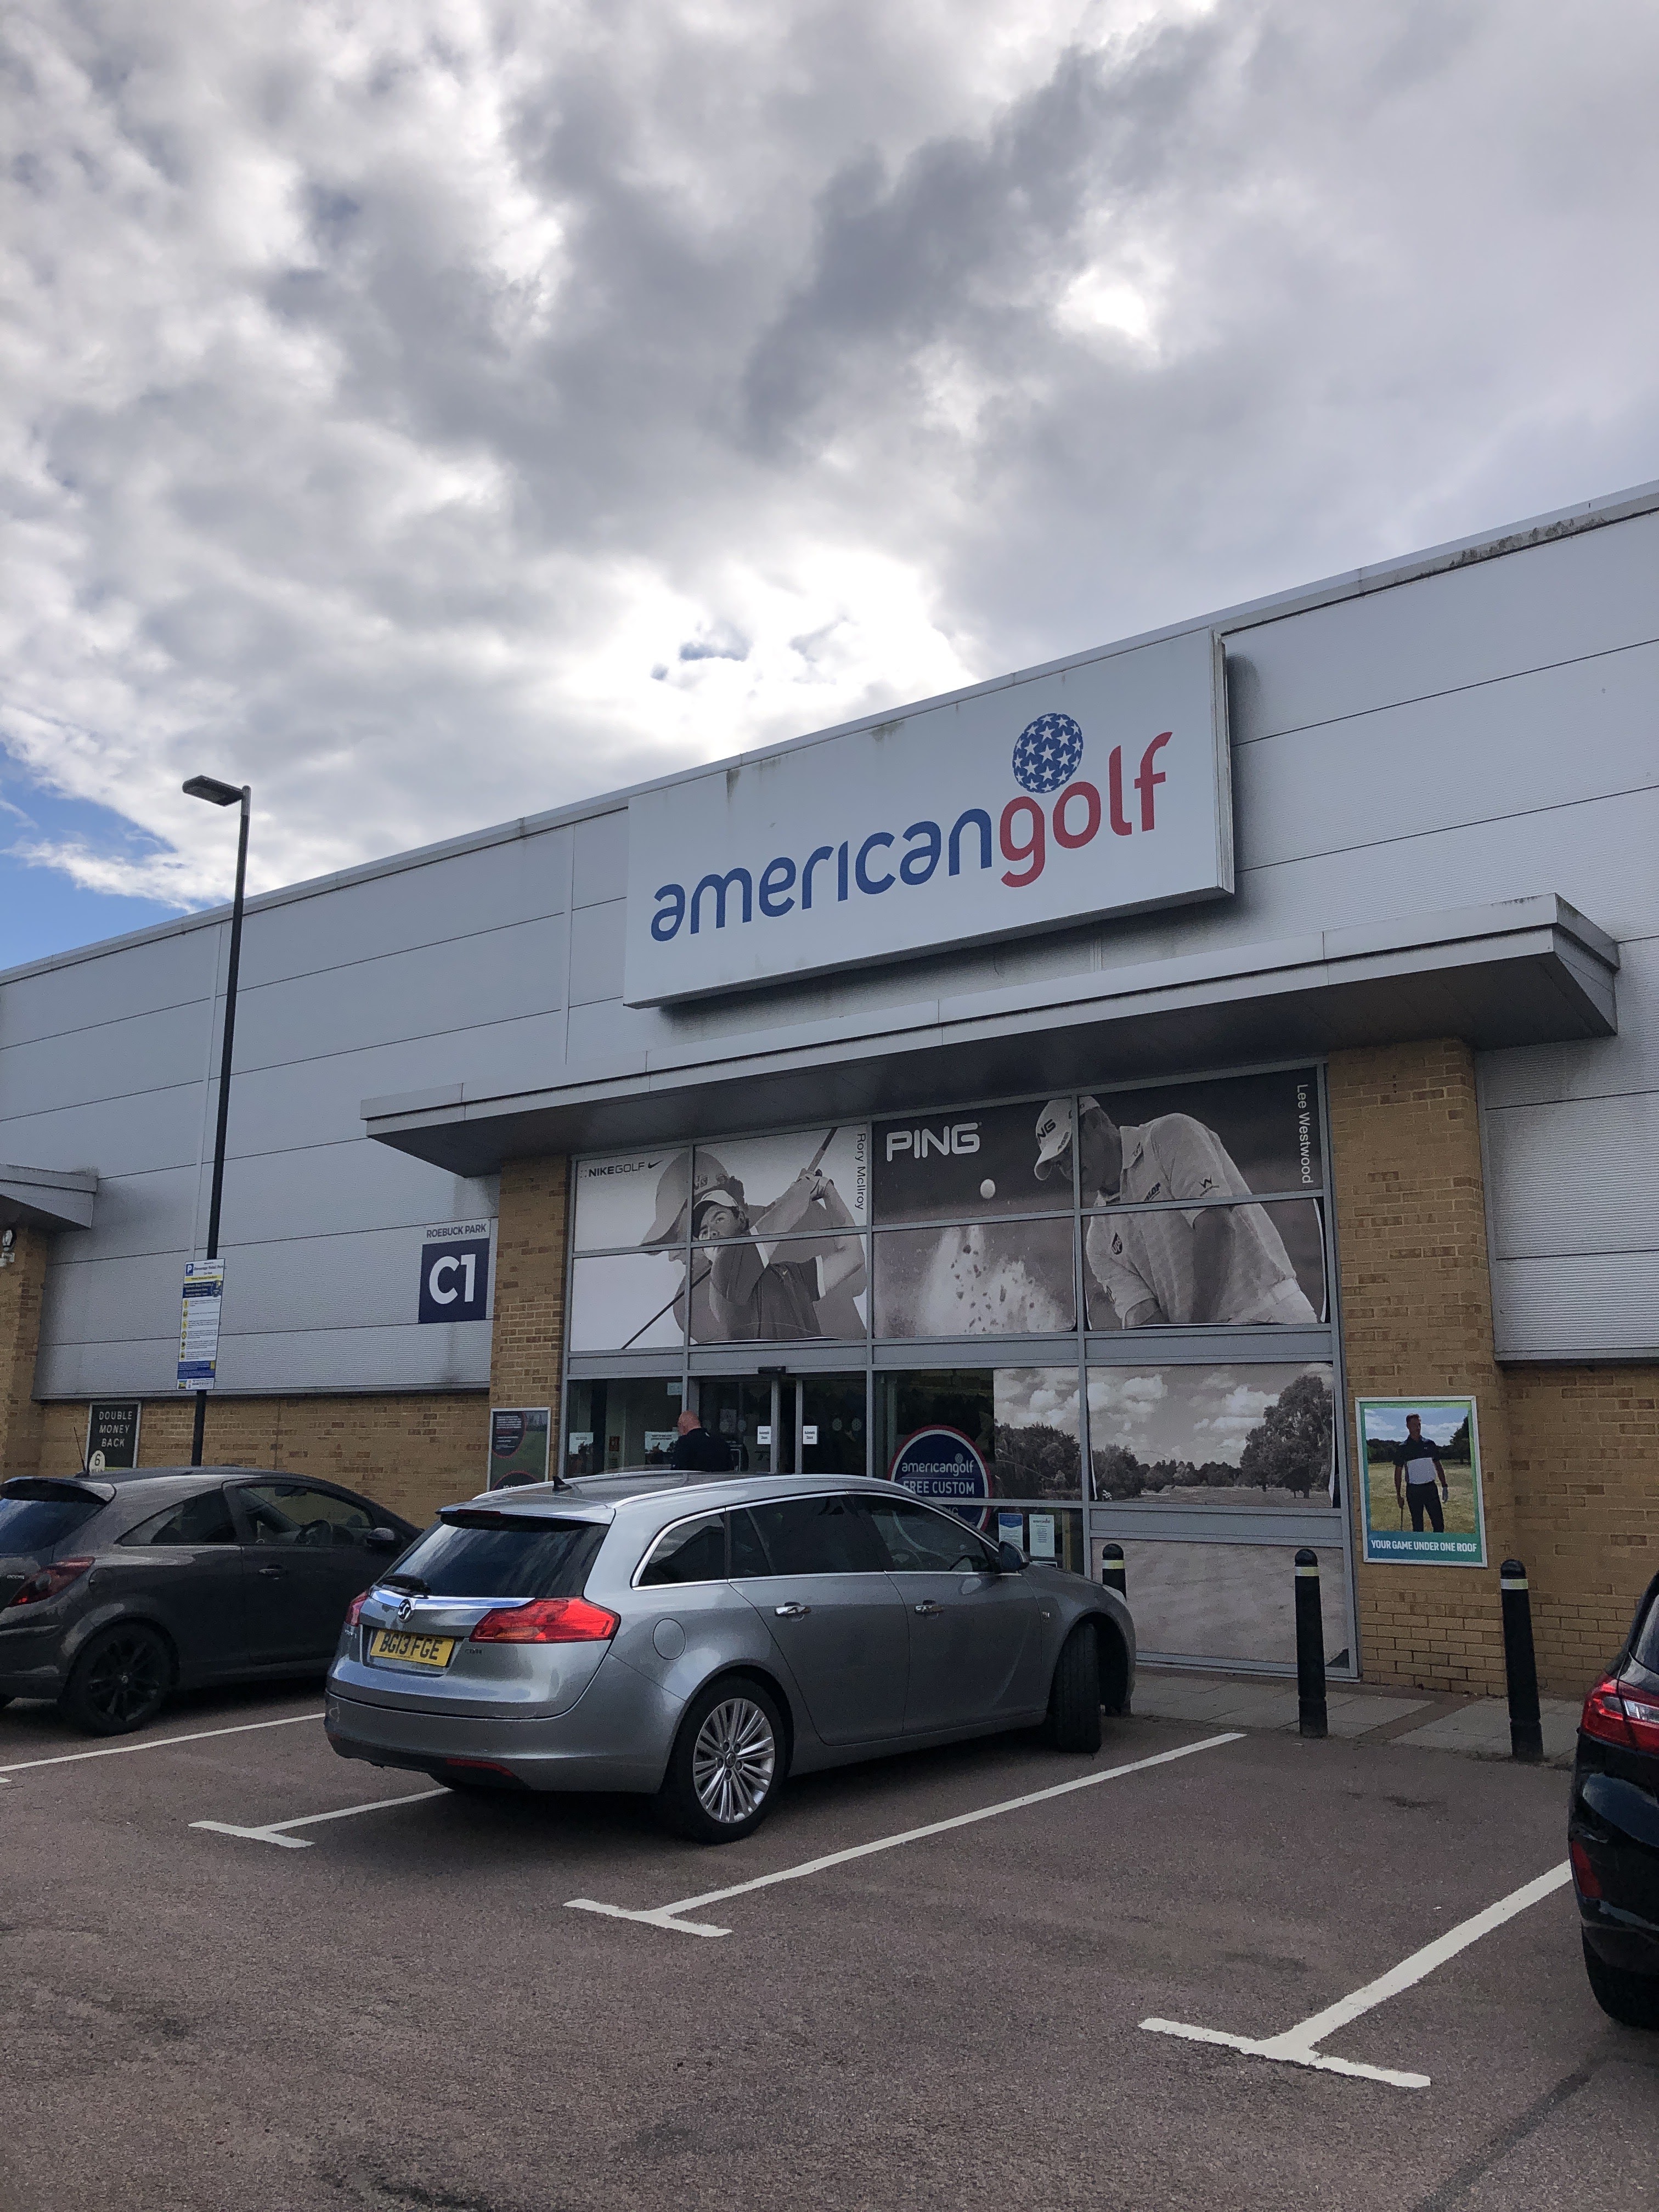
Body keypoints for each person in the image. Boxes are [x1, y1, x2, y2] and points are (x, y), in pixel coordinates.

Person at [1032, 1094, 1317, 1329]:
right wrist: (1187, 1352)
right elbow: (1144, 1318)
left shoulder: (1170, 1135)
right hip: (1207, 1349)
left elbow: (1216, 1226)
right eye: (1058, 1164)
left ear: (1097, 1122)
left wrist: (1193, 1337)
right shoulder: (1098, 1241)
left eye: (1069, 1150)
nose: (1068, 1168)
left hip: (1269, 1312)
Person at [1393, 1413, 1450, 1533]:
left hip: (1430, 1488)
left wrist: (1444, 1485)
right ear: (1408, 1426)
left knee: (1439, 1524)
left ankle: (1437, 1545)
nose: (1418, 1428)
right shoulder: (1403, 1448)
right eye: (1415, 1425)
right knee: (1418, 1526)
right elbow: (1398, 1473)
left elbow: (1438, 1466)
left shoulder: (1430, 1444)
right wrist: (1398, 1495)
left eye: (1419, 1424)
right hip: (1414, 1491)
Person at [668, 1409, 733, 1473]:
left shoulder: (684, 1442)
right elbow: (730, 1471)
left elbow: (677, 1472)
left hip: (694, 1480)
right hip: (720, 1480)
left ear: (682, 1426)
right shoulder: (721, 1443)